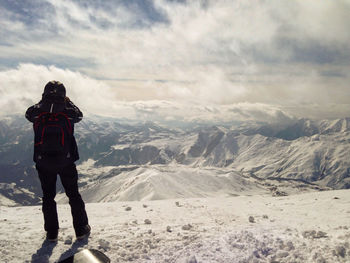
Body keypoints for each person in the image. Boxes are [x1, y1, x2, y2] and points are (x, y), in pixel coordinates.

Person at [25, 80, 90, 242]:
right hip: (66, 161)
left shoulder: (37, 111)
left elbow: (28, 114)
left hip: (43, 162)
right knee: (73, 194)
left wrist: (42, 102)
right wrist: (68, 102)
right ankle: (81, 229)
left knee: (48, 197)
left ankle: (52, 233)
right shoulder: (68, 112)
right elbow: (79, 115)